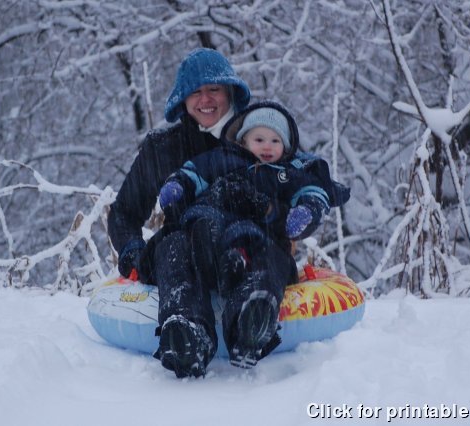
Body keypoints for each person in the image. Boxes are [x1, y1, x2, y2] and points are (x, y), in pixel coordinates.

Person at [157, 101, 349, 369]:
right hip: (210, 231)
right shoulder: (223, 159)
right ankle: (186, 329)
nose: (267, 146)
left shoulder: (287, 172)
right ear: (243, 140)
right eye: (259, 139)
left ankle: (250, 322)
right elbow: (194, 173)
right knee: (176, 243)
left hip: (258, 239)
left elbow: (313, 191)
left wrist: (307, 211)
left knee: (269, 258)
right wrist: (178, 185)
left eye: (275, 140)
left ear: (286, 147)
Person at [107, 47, 252, 377]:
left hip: (243, 250)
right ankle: (186, 335)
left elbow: (297, 184)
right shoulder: (163, 147)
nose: (206, 100)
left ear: (230, 92)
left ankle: (252, 322)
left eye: (214, 89)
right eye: (195, 92)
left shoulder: (259, 135)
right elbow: (124, 212)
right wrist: (132, 251)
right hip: (183, 258)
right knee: (172, 245)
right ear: (183, 99)